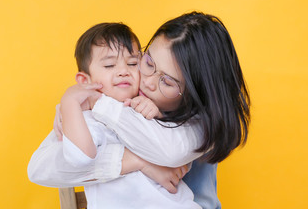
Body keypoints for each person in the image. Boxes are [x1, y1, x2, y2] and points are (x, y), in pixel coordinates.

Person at [28, 11, 250, 208]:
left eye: (168, 82)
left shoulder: (203, 122)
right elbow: (41, 168)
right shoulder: (122, 102)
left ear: (195, 93)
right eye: (148, 62)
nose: (148, 82)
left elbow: (168, 151)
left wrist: (96, 103)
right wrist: (140, 162)